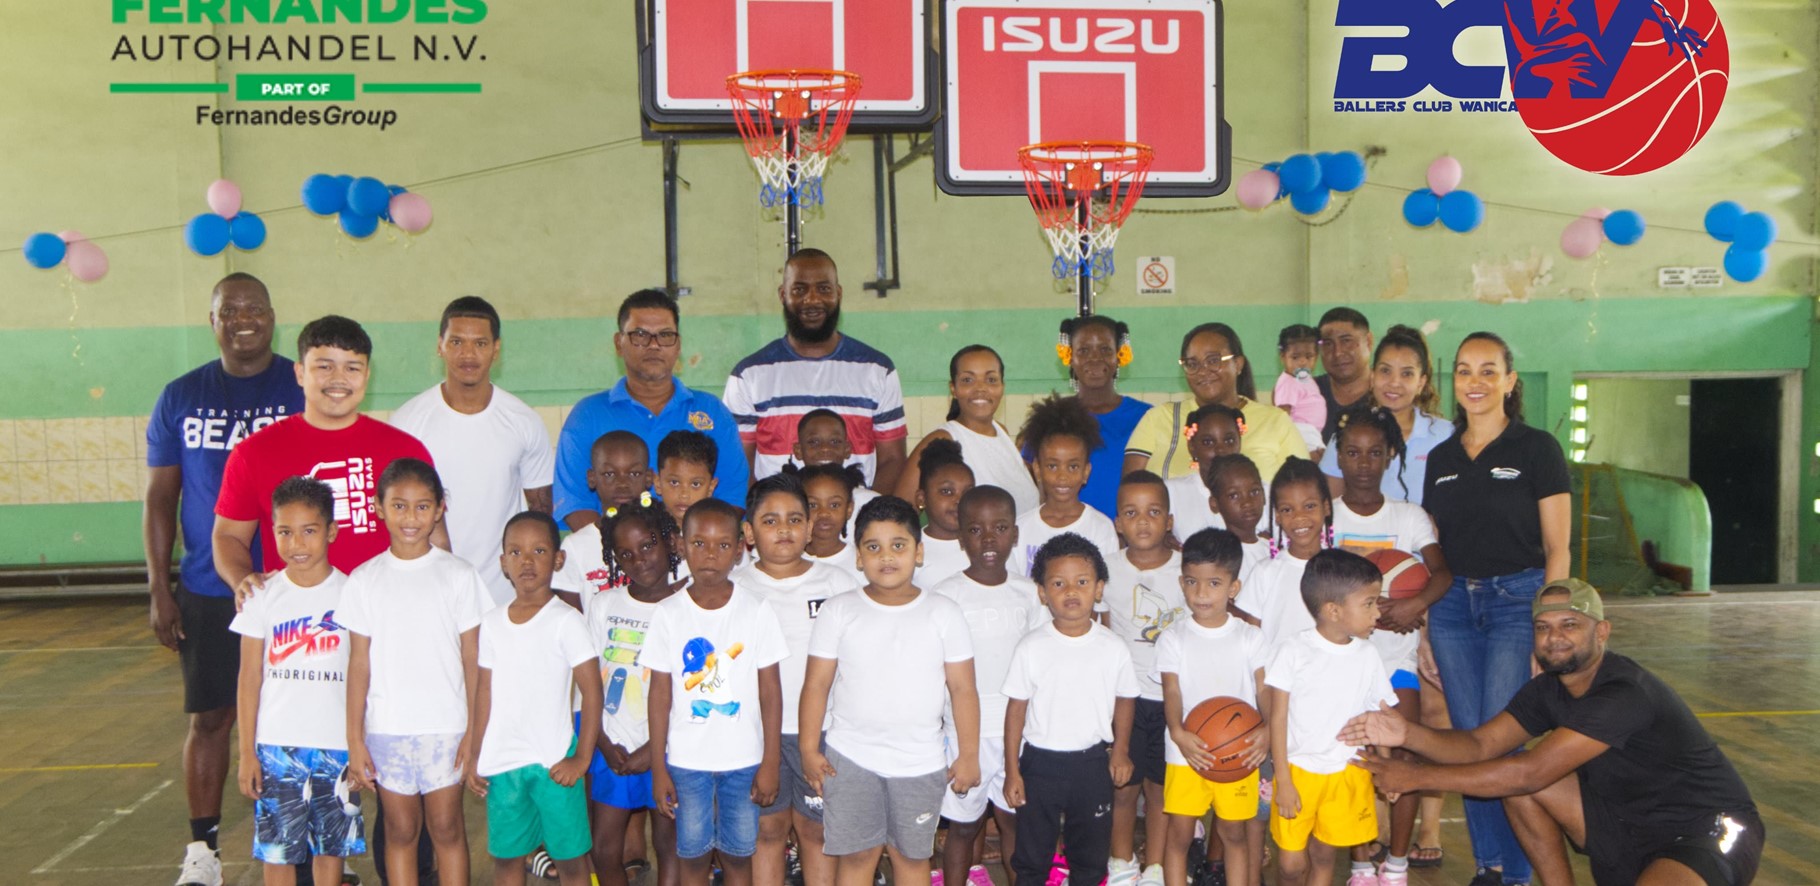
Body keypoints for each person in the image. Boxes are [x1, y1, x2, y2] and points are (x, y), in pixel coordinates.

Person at [1342, 580, 1765, 886]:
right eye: (1543, 627)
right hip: (1622, 823)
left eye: (1569, 625)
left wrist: (1416, 777)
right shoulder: (1547, 689)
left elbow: (1531, 772)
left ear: (1602, 632)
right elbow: (1479, 744)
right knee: (1510, 774)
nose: (1554, 637)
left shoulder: (1624, 693)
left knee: (1520, 775)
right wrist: (1407, 734)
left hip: (1703, 829)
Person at [144, 272, 304, 886]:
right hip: (212, 590)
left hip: (294, 590)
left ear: (272, 315)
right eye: (228, 309)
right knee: (211, 718)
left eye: (254, 307)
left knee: (297, 720)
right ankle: (203, 853)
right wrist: (160, 587)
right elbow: (161, 498)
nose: (243, 318)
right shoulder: (181, 396)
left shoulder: (300, 386)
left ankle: (303, 849)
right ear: (211, 320)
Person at [1422, 331, 1572, 886]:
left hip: (1518, 602)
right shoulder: (1439, 458)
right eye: (1464, 371)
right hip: (1453, 607)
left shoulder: (1537, 450)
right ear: (1453, 382)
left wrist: (1548, 629)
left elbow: (1559, 548)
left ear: (1511, 381)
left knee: (1503, 737)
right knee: (1466, 738)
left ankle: (1519, 873)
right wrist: (1423, 632)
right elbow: (1433, 549)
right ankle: (1489, 865)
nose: (1476, 382)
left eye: (1489, 371)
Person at [799, 496, 982, 886]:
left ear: (919, 552)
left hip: (919, 761)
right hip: (850, 758)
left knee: (911, 858)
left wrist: (968, 754)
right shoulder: (839, 610)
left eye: (898, 545)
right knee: (857, 857)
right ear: (859, 557)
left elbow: (963, 689)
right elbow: (816, 684)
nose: (887, 556)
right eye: (873, 546)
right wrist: (808, 748)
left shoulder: (943, 612)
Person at [341, 459, 489, 886]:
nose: (411, 518)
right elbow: (358, 664)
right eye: (400, 506)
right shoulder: (365, 580)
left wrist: (474, 733)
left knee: (446, 828)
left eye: (422, 507)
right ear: (379, 508)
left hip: (447, 728)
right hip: (388, 731)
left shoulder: (458, 576)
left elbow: (473, 659)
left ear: (440, 509)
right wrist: (355, 739)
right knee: (401, 831)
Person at [1327, 406, 1454, 885]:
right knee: (1354, 760)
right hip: (1341, 661)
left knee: (1404, 756)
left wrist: (1413, 604)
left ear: (1389, 457)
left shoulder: (1408, 516)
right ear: (1339, 457)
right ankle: (1362, 861)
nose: (1363, 463)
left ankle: (1396, 863)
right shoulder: (1325, 518)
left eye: (1374, 453)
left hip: (1396, 660)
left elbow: (1442, 573)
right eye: (1353, 453)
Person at [645, 499, 789, 886]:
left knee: (738, 857)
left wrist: (770, 761)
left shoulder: (756, 610)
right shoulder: (668, 613)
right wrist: (659, 768)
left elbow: (771, 692)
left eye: (723, 545)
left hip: (744, 761)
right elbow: (659, 695)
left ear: (739, 549)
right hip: (687, 762)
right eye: (700, 543)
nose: (711, 554)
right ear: (681, 544)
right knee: (692, 857)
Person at [230, 477, 366, 886]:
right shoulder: (261, 595)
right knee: (278, 853)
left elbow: (363, 675)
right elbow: (248, 678)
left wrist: (359, 746)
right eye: (285, 532)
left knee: (331, 853)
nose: (297, 544)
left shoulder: (352, 593)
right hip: (277, 749)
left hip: (336, 746)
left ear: (331, 532)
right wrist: (246, 753)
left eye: (309, 531)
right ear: (272, 532)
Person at [734, 474, 863, 886]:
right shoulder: (736, 589)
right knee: (767, 830)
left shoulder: (838, 584)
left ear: (810, 527)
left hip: (822, 733)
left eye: (794, 518)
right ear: (749, 533)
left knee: (816, 830)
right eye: (770, 521)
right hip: (756, 735)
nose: (784, 529)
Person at [467, 511, 604, 886]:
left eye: (539, 550)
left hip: (555, 762)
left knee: (572, 861)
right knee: (508, 859)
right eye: (516, 552)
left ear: (558, 560)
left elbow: (593, 692)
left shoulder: (567, 620)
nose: (527, 561)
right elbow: (485, 692)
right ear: (503, 563)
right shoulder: (492, 623)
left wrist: (582, 757)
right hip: (504, 763)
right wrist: (476, 752)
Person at [389, 296, 554, 606]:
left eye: (480, 343)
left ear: (496, 348)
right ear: (440, 345)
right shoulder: (407, 422)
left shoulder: (523, 421)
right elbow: (395, 512)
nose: (468, 354)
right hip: (429, 592)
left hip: (505, 595)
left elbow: (540, 515)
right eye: (456, 342)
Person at [1003, 532, 1139, 886]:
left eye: (1081, 582)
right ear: (1043, 592)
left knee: (1090, 860)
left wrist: (1120, 751)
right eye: (1059, 583)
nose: (1071, 592)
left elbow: (1126, 699)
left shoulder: (1113, 648)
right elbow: (1016, 709)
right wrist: (1012, 770)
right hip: (1039, 765)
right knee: (1031, 859)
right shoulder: (1031, 647)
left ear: (1099, 589)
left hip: (1091, 764)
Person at [556, 288, 746, 531]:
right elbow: (575, 504)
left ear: (678, 345)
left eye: (665, 335)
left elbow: (732, 497)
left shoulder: (712, 412)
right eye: (640, 335)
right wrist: (624, 552)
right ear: (618, 342)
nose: (654, 345)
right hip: (612, 559)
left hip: (694, 558)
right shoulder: (587, 416)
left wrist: (689, 546)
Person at [932, 485, 1046, 886]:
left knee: (1015, 823)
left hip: (1020, 733)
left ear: (1015, 534)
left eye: (999, 528)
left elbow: (1042, 664)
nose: (988, 539)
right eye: (976, 530)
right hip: (966, 736)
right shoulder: (945, 596)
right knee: (963, 827)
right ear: (961, 537)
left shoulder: (1030, 593)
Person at [1263, 550, 1398, 886]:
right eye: (1368, 603)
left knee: (1325, 855)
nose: (1377, 612)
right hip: (1298, 771)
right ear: (1333, 611)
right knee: (1292, 865)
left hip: (1346, 772)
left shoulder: (1368, 655)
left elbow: (1382, 719)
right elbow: (1277, 719)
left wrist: (1388, 769)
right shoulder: (1293, 650)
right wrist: (1284, 779)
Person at [724, 249, 909, 491]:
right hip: (778, 524)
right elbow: (738, 466)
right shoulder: (749, 375)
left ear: (838, 293)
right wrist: (769, 515)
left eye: (824, 289)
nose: (812, 300)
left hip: (856, 522)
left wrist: (864, 516)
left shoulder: (877, 369)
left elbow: (893, 461)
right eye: (799, 289)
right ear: (783, 295)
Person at [581, 498, 685, 886]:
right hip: (614, 748)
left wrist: (652, 751)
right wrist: (602, 743)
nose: (639, 559)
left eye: (648, 545)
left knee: (668, 842)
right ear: (614, 560)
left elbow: (690, 689)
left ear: (669, 542)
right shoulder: (605, 605)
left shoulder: (688, 605)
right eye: (625, 553)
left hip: (669, 750)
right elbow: (590, 681)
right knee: (604, 849)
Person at [1157, 529, 1269, 886]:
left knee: (1234, 835)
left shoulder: (1250, 637)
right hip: (1185, 752)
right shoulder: (1173, 637)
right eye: (1192, 582)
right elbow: (1171, 692)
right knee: (1179, 837)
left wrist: (1266, 727)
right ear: (1181, 582)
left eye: (1214, 583)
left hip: (1239, 753)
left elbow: (1264, 689)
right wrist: (1177, 731)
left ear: (1233, 587)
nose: (1201, 593)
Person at [1102, 471, 1186, 886]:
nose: (1143, 522)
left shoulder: (1186, 571)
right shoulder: (1107, 570)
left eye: (1154, 512)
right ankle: (1121, 865)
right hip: (1125, 700)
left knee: (1159, 789)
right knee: (1123, 789)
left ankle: (1155, 868)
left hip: (1173, 701)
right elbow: (1099, 634)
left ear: (1169, 520)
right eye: (1132, 513)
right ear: (1118, 522)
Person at [1123, 323, 1306, 487]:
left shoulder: (1275, 421)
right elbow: (1130, 492)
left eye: (1213, 361)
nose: (1203, 371)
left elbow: (1302, 490)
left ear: (1238, 364)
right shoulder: (1159, 418)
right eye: (1192, 364)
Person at [897, 345, 1040, 514]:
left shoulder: (1002, 432)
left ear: (1002, 386)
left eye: (991, 379)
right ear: (953, 389)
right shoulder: (941, 441)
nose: (980, 388)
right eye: (967, 380)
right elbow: (899, 514)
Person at [1320, 324, 1451, 505]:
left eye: (1407, 374)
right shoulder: (1348, 434)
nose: (1394, 383)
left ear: (1421, 382)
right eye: (1385, 371)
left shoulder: (1443, 435)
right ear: (1372, 377)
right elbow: (1331, 509)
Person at [1010, 395, 1121, 578]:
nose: (1062, 476)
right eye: (1052, 466)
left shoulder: (1100, 527)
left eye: (1073, 466)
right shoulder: (1020, 528)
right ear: (1037, 469)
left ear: (1086, 472)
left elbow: (1106, 590)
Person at [1052, 315, 1152, 517]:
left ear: (1119, 356)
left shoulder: (1147, 417)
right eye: (1084, 350)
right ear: (1070, 357)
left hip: (1130, 536)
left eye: (1105, 349)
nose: (1095, 358)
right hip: (1068, 536)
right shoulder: (1054, 417)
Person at [1233, 458, 1334, 650]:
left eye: (1310, 506)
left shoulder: (1343, 570)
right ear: (1277, 516)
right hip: (1275, 678)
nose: (1299, 517)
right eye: (1287, 510)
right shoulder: (1265, 572)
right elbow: (1252, 639)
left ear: (1326, 507)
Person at [553, 435, 657, 604]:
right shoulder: (576, 547)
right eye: (609, 474)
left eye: (634, 473)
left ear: (648, 478)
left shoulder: (663, 539)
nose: (622, 483)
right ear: (592, 478)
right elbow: (570, 617)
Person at [1165, 403, 1246, 543]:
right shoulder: (1170, 492)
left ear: (1239, 443)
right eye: (1208, 442)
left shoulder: (1262, 493)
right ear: (1192, 446)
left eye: (1229, 440)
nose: (1220, 450)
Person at [793, 409, 879, 535]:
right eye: (814, 442)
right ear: (798, 450)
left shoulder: (868, 501)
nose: (825, 448)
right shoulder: (789, 499)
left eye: (835, 442)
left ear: (847, 449)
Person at [911, 439, 976, 589]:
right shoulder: (911, 549)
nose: (959, 500)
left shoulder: (983, 544)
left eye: (968, 492)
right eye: (947, 491)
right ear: (922, 499)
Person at [797, 463, 870, 587]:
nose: (824, 513)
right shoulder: (788, 560)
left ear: (849, 509)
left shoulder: (863, 564)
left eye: (834, 505)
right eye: (813, 505)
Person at [1204, 455, 1272, 584]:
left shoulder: (1271, 549)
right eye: (1234, 495)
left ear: (1264, 496)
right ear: (1214, 504)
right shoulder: (1215, 556)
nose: (1247, 502)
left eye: (1254, 492)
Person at [1315, 308, 1375, 443]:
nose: (1337, 353)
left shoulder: (1389, 394)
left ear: (1369, 341)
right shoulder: (1307, 393)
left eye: (1346, 341)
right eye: (1328, 344)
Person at [1272, 324, 1328, 457]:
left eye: (1309, 357)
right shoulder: (1288, 382)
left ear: (1317, 356)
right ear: (1283, 357)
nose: (1302, 362)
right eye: (1295, 357)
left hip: (1311, 432)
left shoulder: (1304, 378)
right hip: (1300, 432)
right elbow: (1282, 415)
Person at [656, 430, 722, 524]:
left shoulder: (718, 534)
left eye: (695, 484)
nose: (684, 495)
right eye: (674, 482)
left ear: (711, 487)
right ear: (658, 483)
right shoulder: (645, 531)